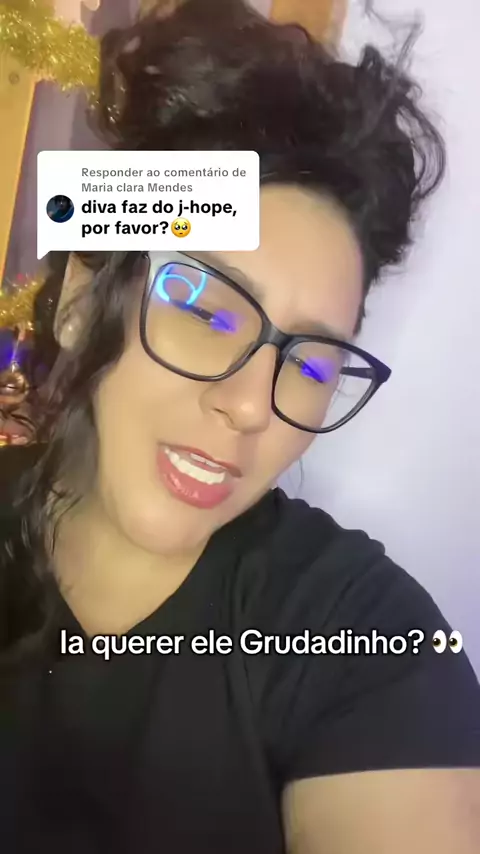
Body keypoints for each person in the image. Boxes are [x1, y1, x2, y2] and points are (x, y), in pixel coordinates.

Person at [0, 1, 479, 852]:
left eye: (312, 365)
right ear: (79, 302)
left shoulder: (360, 636)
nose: (254, 404)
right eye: (206, 312)